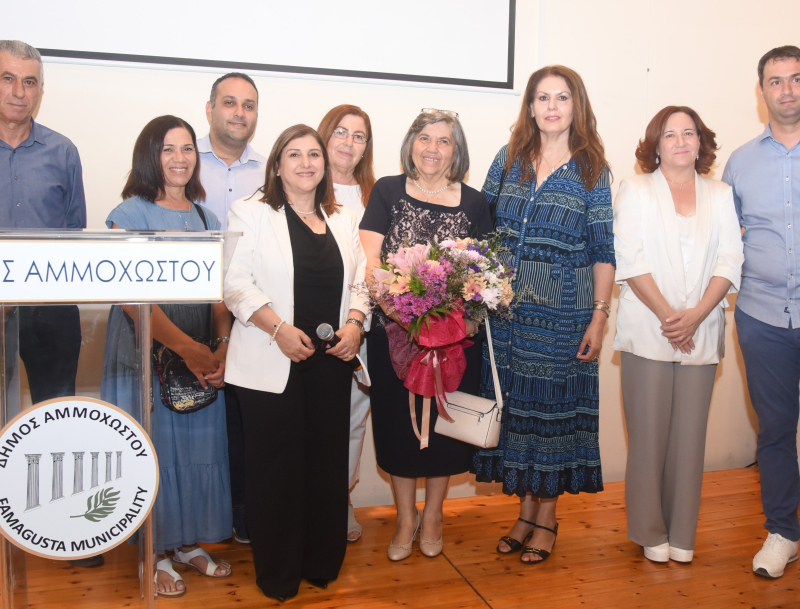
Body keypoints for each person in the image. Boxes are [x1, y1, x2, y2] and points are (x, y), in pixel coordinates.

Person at [472, 66, 615, 564]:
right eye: (542, 97)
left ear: (577, 106)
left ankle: (546, 519)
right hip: (506, 315)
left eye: (562, 97)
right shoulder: (507, 158)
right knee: (516, 414)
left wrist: (599, 317)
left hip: (562, 317)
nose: (551, 106)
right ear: (530, 106)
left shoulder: (593, 168)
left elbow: (603, 250)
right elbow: (481, 228)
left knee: (551, 416)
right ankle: (524, 513)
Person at [224, 124, 368, 602]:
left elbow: (363, 279)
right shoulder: (250, 211)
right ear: (277, 164)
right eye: (294, 154)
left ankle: (320, 563)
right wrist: (279, 330)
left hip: (331, 363)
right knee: (276, 472)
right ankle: (279, 574)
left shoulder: (343, 216)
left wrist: (355, 324)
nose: (306, 163)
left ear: (324, 165)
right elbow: (234, 284)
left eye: (314, 155)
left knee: (326, 466)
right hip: (271, 360)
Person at [101, 115, 233, 598]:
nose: (180, 158)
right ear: (149, 156)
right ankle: (153, 552)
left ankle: (186, 543)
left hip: (200, 355)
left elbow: (219, 296)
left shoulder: (207, 218)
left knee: (197, 450)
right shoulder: (128, 214)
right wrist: (189, 349)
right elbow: (132, 299)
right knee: (154, 453)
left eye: (187, 148)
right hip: (146, 354)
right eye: (167, 149)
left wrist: (221, 347)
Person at [360, 109, 492, 562]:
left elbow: (486, 275)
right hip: (395, 336)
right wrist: (399, 315)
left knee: (444, 431)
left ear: (457, 151)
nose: (432, 148)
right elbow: (371, 261)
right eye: (424, 138)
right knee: (399, 429)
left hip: (455, 343)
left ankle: (433, 515)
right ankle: (405, 517)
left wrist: (463, 323)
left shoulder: (475, 202)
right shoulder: (387, 190)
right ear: (410, 144)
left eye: (444, 141)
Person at [613, 106, 744, 564]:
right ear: (656, 144)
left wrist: (697, 315)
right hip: (649, 330)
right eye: (670, 134)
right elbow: (629, 259)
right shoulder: (635, 189)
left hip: (702, 331)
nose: (681, 141)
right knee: (648, 437)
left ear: (701, 142)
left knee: (689, 440)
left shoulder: (721, 194)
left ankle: (682, 533)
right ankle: (650, 530)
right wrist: (672, 317)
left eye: (689, 133)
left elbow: (730, 259)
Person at [0, 39, 89, 566]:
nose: (19, 91)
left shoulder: (63, 151)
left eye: (29, 81)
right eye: (8, 78)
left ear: (40, 90)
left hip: (50, 309)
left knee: (57, 417)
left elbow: (74, 233)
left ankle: (64, 527)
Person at [723, 45, 800, 579]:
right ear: (762, 91)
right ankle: (783, 533)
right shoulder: (740, 162)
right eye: (776, 81)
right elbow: (725, 241)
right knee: (774, 429)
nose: (787, 90)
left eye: (796, 78)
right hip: (762, 316)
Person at [198, 71, 267, 544]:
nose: (239, 113)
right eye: (229, 103)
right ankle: (196, 519)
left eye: (248, 105)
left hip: (248, 313)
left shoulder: (270, 171)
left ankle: (241, 511)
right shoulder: (182, 158)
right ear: (210, 109)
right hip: (187, 310)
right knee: (196, 419)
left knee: (243, 422)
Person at [317, 104, 376, 543]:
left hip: (362, 330)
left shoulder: (377, 196)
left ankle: (340, 500)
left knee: (354, 421)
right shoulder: (303, 186)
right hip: (309, 329)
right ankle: (310, 501)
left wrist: (357, 321)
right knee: (311, 421)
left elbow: (376, 268)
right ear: (324, 135)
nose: (348, 142)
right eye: (340, 132)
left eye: (358, 136)